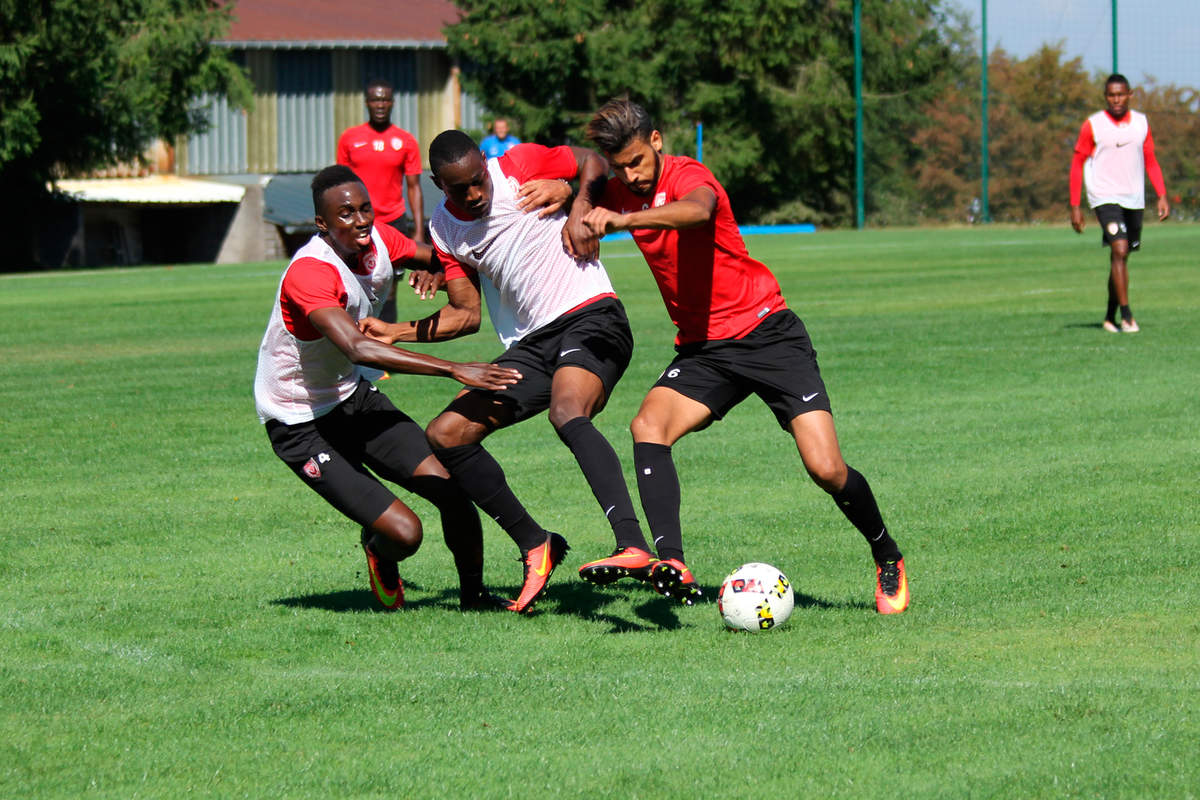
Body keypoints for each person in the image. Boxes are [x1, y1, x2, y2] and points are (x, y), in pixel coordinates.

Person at [573, 97, 909, 614]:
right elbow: (583, 170)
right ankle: (673, 563)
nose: (632, 175)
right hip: (705, 349)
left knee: (825, 468)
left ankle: (886, 553)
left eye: (638, 161)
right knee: (648, 426)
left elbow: (698, 210)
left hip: (768, 332)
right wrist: (572, 196)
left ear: (657, 140)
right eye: (622, 168)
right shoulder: (615, 186)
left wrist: (622, 220)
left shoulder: (688, 175)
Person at [360, 130, 654, 614]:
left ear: (485, 162)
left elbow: (594, 163)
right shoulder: (444, 231)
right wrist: (397, 331)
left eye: (478, 181)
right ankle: (535, 544)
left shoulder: (519, 164)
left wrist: (575, 198)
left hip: (592, 314)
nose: (475, 195)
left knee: (566, 411)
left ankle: (632, 544)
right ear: (438, 184)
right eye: (460, 189)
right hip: (532, 346)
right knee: (447, 433)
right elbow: (465, 314)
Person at [254, 164, 521, 611]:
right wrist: (456, 369)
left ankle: (474, 599)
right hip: (299, 421)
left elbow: (441, 254)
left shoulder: (381, 241)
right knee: (405, 533)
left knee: (453, 488)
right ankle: (379, 549)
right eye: (344, 214)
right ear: (322, 223)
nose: (360, 221)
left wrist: (440, 269)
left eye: (364, 210)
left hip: (351, 397)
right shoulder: (311, 274)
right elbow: (358, 348)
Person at [1069, 73, 1170, 334]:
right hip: (1104, 198)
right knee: (1120, 249)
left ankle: (1108, 316)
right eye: (1111, 95)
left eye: (1120, 94)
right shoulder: (1093, 125)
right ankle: (1127, 316)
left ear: (1130, 95)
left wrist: (1161, 194)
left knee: (1121, 257)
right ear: (1106, 97)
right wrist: (1075, 205)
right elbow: (1077, 163)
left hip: (1133, 199)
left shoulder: (1141, 123)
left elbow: (1150, 160)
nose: (1116, 99)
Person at [337, 77, 427, 323]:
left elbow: (414, 187)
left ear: (392, 103)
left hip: (392, 223)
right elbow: (340, 186)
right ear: (367, 102)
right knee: (352, 285)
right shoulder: (350, 138)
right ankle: (355, 342)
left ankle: (386, 346)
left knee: (388, 290)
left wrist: (418, 231)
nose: (380, 104)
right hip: (358, 224)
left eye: (385, 99)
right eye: (375, 99)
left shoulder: (406, 141)